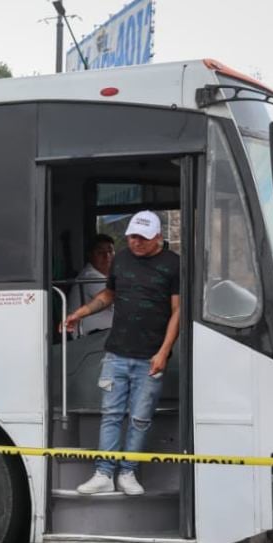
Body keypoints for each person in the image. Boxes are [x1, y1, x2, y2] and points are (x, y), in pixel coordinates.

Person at [62, 211, 180, 495]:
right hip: (116, 353)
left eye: (142, 237)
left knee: (140, 419)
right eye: (131, 236)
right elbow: (108, 295)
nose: (135, 241)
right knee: (111, 415)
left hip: (150, 356)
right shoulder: (122, 259)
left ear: (158, 237)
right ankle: (104, 473)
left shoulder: (173, 264)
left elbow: (178, 311)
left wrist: (164, 352)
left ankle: (128, 472)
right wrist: (80, 313)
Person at [66, 235, 115, 338]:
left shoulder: (109, 276)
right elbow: (112, 298)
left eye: (110, 251)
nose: (107, 256)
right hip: (90, 336)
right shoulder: (89, 276)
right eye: (100, 252)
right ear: (90, 255)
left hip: (107, 333)